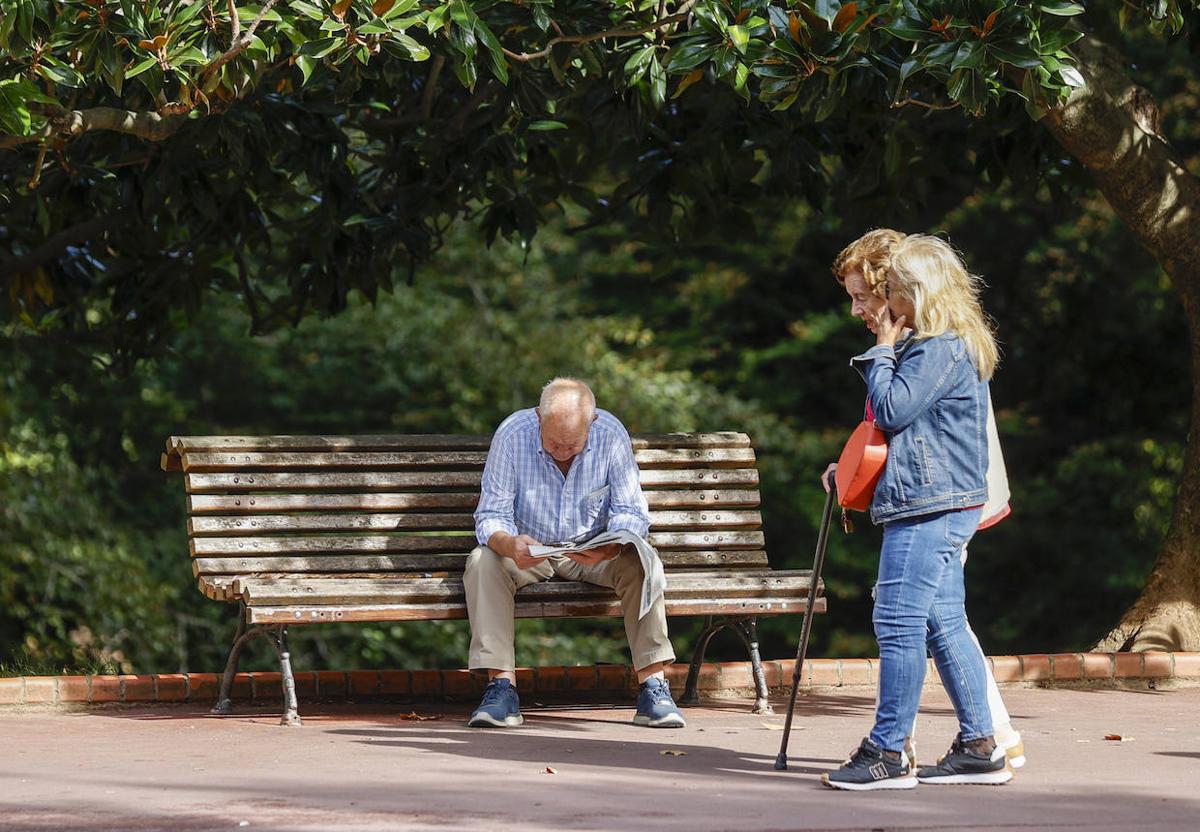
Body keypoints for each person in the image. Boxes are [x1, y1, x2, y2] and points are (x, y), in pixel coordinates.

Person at [826, 228, 1026, 774]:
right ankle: (981, 744)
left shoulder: (937, 348)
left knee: (897, 620)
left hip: (928, 507)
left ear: (917, 293)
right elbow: (911, 431)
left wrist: (883, 351)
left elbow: (892, 411)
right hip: (940, 499)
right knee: (943, 618)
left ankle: (887, 751)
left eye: (887, 292)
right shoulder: (945, 345)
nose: (880, 305)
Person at [464, 377, 684, 729]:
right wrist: (511, 545)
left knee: (643, 559)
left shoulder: (610, 434)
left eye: (573, 444)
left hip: (596, 551)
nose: (562, 451)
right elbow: (491, 516)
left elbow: (632, 512)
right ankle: (501, 688)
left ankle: (653, 686)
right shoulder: (511, 434)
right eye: (553, 443)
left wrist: (610, 545)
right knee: (482, 561)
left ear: (592, 423)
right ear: (538, 417)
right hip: (531, 554)